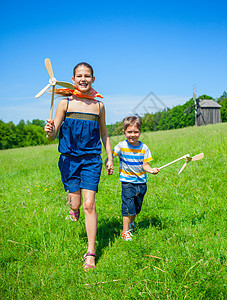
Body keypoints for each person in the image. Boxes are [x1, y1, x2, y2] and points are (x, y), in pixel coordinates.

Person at [44, 62, 114, 270]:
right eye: (79, 76)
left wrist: (109, 157)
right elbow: (52, 135)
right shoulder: (64, 103)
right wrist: (49, 131)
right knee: (75, 204)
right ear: (73, 80)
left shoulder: (99, 106)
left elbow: (104, 133)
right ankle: (72, 208)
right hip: (69, 160)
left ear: (93, 79)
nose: (83, 79)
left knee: (89, 204)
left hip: (92, 159)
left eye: (87, 75)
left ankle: (90, 252)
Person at [110, 115, 159, 241]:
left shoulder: (144, 148)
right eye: (129, 132)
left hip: (141, 183)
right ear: (124, 132)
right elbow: (111, 155)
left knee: (137, 208)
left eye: (136, 132)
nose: (133, 135)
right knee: (128, 206)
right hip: (127, 182)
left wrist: (151, 170)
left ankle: (131, 222)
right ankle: (125, 231)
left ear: (140, 132)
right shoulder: (121, 146)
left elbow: (145, 165)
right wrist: (109, 162)